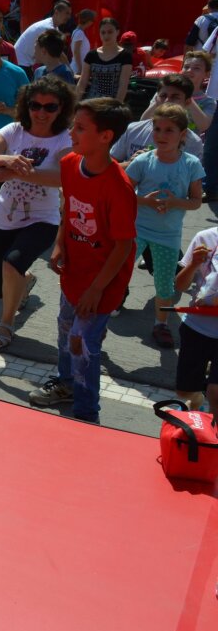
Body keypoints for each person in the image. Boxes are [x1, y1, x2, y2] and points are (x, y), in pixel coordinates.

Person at [30, 98, 137, 423]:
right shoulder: (69, 164)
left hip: (101, 284)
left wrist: (96, 290)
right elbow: (69, 209)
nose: (71, 132)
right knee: (65, 331)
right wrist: (60, 244)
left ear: (106, 136)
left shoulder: (119, 187)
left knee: (82, 343)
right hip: (74, 274)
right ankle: (66, 385)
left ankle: (87, 413)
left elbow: (122, 246)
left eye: (80, 127)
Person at [0, 76, 76, 350]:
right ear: (26, 105)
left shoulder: (65, 138)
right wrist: (6, 159)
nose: (42, 113)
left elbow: (64, 177)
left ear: (62, 108)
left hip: (42, 219)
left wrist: (16, 172)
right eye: (36, 105)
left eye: (50, 107)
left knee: (12, 264)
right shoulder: (13, 131)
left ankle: (6, 324)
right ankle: (25, 280)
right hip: (3, 216)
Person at [124, 104, 203, 348]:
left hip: (168, 236)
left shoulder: (190, 164)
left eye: (169, 130)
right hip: (135, 230)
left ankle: (161, 324)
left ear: (183, 135)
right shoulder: (143, 161)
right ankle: (105, 312)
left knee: (165, 283)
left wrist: (173, 202)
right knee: (119, 273)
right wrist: (145, 200)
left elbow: (196, 202)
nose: (161, 135)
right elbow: (123, 193)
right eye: (157, 129)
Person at [173, 225, 218, 412]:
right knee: (184, 392)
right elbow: (180, 285)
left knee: (216, 392)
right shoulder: (206, 237)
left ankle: (212, 438)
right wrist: (193, 264)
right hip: (197, 327)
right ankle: (197, 396)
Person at [77, 17, 132, 102]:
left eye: (110, 32)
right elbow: (82, 82)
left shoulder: (125, 55)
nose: (106, 35)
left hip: (112, 104)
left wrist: (116, 107)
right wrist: (74, 105)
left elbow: (123, 85)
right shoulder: (91, 55)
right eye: (103, 32)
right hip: (91, 102)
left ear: (117, 32)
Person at [15, 1, 73, 74]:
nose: (69, 17)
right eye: (67, 13)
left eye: (70, 14)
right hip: (21, 62)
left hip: (23, 61)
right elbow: (59, 53)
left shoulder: (53, 26)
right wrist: (70, 71)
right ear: (56, 13)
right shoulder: (47, 27)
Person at [71, 10, 95, 76]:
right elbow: (76, 51)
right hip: (77, 69)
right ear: (89, 21)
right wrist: (80, 69)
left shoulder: (76, 31)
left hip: (77, 67)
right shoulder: (80, 33)